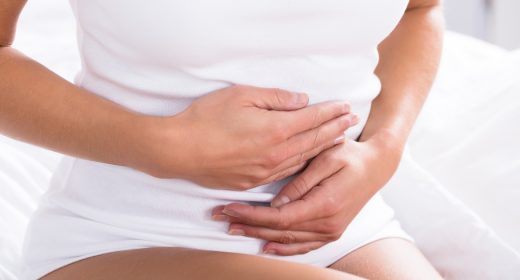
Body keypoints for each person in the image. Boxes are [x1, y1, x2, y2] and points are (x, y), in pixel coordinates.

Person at [0, 0, 445, 279]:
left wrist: (383, 149)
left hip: (345, 233)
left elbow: (419, 10)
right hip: (127, 237)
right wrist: (160, 146)